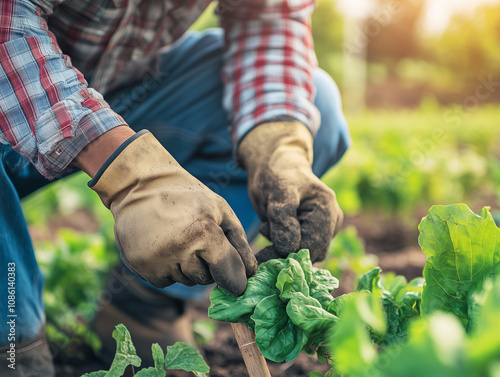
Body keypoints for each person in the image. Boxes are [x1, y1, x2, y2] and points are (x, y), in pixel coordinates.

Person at [0, 0, 350, 375]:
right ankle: (13, 341)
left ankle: (144, 308)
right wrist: (130, 174)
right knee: (15, 342)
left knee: (316, 105)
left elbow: (269, 17)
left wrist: (280, 147)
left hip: (104, 94)